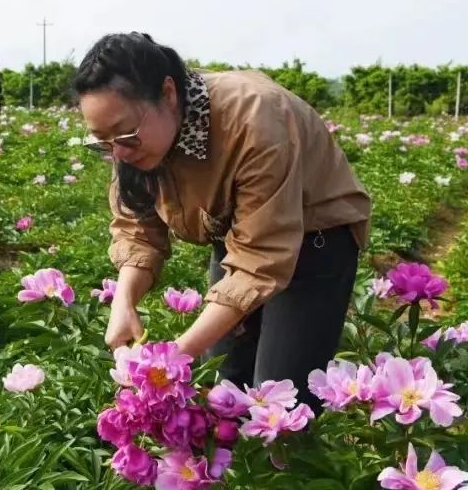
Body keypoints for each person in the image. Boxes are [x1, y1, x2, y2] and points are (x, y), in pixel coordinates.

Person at [73, 32, 371, 412]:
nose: (117, 151)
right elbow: (138, 230)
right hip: (236, 236)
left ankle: (287, 467)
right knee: (226, 381)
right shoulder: (133, 140)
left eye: (125, 135)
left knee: (281, 396)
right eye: (102, 140)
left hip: (316, 240)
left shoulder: (254, 118)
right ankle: (232, 468)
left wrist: (174, 358)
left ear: (168, 94)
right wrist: (124, 302)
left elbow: (260, 257)